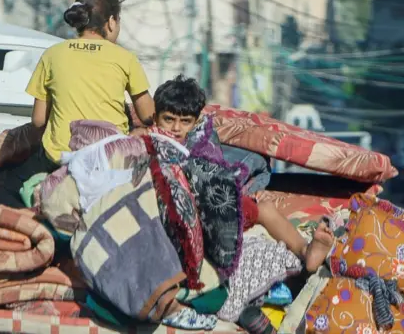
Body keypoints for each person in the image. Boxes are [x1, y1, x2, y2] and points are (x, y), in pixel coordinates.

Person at [140, 75, 334, 272]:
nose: (175, 128)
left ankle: (305, 250)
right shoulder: (148, 140)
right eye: (169, 119)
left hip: (211, 208)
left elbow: (217, 178)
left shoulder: (203, 142)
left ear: (196, 121)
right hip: (170, 207)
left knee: (264, 209)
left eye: (185, 121)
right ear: (156, 119)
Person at [0, 0, 155, 208]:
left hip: (57, 158)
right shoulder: (126, 59)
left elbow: (38, 121)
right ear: (112, 22)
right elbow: (148, 115)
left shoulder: (53, 54)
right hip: (108, 161)